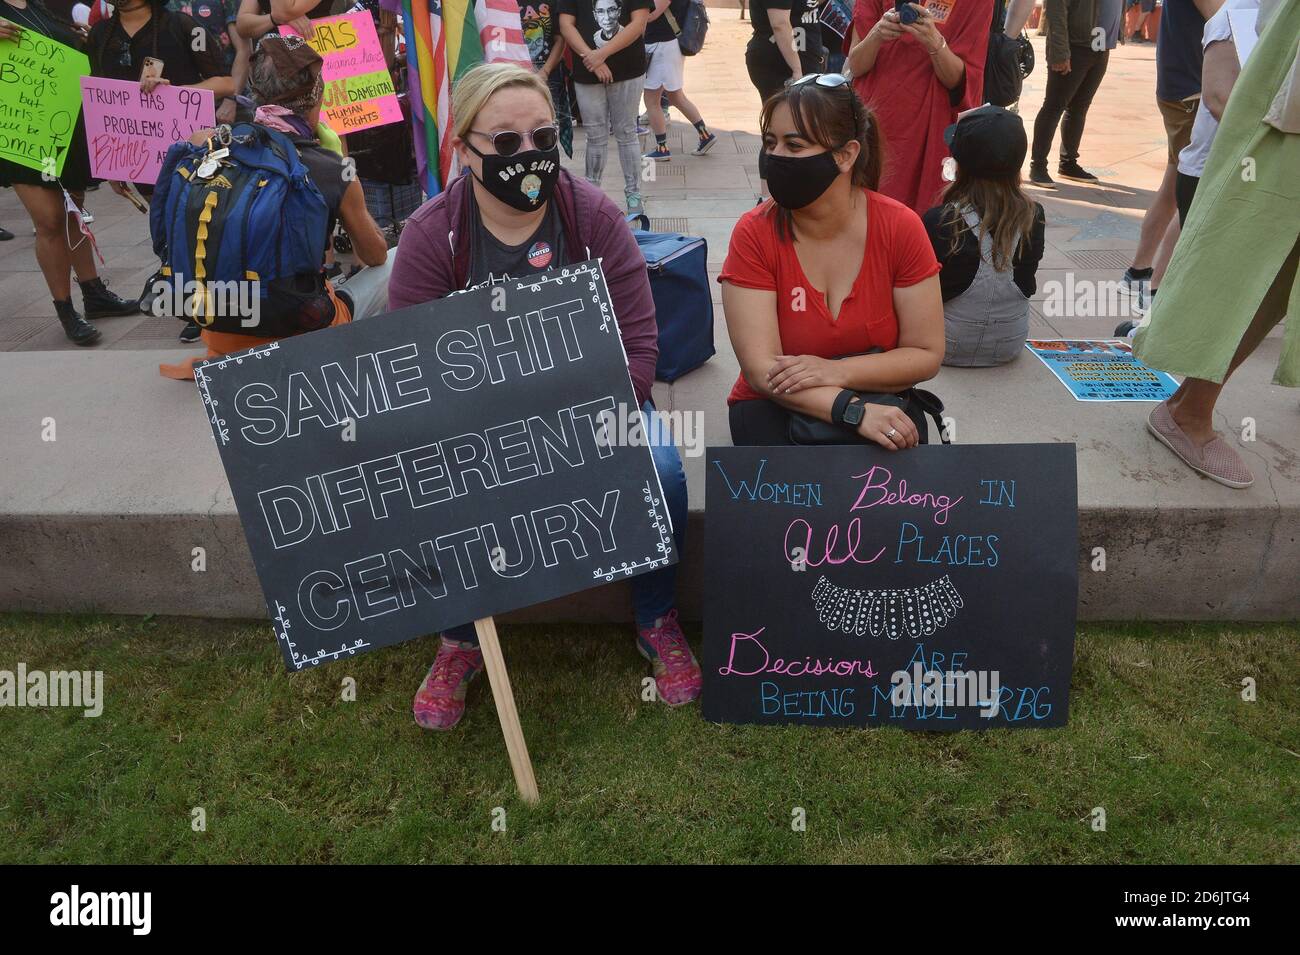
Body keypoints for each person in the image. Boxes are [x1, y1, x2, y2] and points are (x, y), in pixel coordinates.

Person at [387, 63, 696, 729]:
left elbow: (641, 348)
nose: (527, 156)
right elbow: (406, 373)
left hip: (593, 409)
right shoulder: (430, 237)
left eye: (543, 136)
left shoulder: (592, 217)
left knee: (663, 469)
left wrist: (573, 426)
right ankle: (459, 639)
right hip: (475, 426)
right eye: (503, 143)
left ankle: (656, 615)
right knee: (428, 478)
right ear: (462, 149)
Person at [721, 74, 944, 448]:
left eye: (794, 145)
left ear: (845, 155)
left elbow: (925, 354)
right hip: (776, 406)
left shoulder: (900, 228)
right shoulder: (754, 233)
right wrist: (851, 410)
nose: (776, 157)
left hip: (881, 401)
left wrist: (834, 371)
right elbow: (762, 371)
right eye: (770, 143)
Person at [158, 34, 391, 380]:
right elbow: (375, 256)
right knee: (397, 263)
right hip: (300, 333)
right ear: (318, 96)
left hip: (220, 335)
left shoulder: (207, 146)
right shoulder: (331, 167)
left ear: (255, 93)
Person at [1134, 0, 1298, 489]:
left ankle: (1188, 401)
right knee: (1253, 266)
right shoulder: (1233, 17)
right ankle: (1190, 408)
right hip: (1258, 145)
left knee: (1275, 273)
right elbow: (1221, 99)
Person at [0, 0, 139, 345]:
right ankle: (65, 309)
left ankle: (94, 295)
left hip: (62, 128)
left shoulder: (43, 8)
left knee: (73, 211)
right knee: (48, 220)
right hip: (23, 133)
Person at [1120, 0, 1223, 314]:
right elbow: (1225, 23)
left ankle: (1139, 271)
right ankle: (1156, 290)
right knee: (1195, 190)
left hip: (1185, 88)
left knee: (1175, 185)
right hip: (1193, 91)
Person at [923, 105, 1045, 367]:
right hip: (1009, 343)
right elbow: (1026, 280)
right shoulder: (1034, 216)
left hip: (944, 344)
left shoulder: (940, 219)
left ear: (959, 167)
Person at [846, 1, 995, 213]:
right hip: (878, 122)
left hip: (931, 126)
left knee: (923, 219)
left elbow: (962, 81)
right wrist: (877, 34)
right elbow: (856, 65)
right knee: (867, 215)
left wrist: (934, 42)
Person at [558, 0, 652, 215]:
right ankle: (591, 193)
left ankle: (633, 193)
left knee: (627, 132)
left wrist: (602, 53)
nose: (606, 15)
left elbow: (638, 23)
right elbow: (566, 24)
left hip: (628, 69)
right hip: (587, 71)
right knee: (595, 135)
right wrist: (594, 59)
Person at [1030, 0, 1123, 187]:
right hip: (1074, 45)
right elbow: (1056, 8)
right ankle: (1038, 165)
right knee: (1054, 107)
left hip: (1100, 45)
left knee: (1079, 108)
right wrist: (1059, 52)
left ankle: (1068, 163)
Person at [641, 0, 717, 161]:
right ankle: (705, 135)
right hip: (667, 44)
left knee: (651, 99)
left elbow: (650, 15)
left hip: (662, 45)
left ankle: (662, 148)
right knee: (676, 96)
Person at [165, 0, 250, 122]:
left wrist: (231, 99)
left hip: (225, 105)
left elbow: (244, 51)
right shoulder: (165, 4)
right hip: (180, 102)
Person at [516, 0, 576, 157]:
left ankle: (549, 167)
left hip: (548, 72)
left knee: (546, 126)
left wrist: (545, 71)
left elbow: (560, 40)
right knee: (515, 124)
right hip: (513, 71)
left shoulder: (554, 2)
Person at [745, 0, 826, 107]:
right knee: (787, 119)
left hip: (802, 61)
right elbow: (780, 24)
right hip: (782, 64)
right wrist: (797, 71)